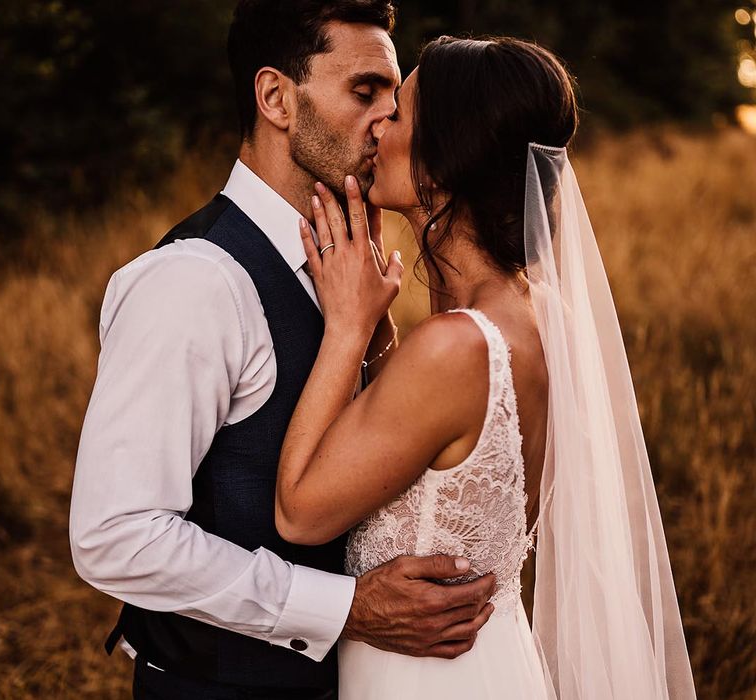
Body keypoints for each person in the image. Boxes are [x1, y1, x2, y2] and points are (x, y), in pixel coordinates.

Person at [69, 5, 496, 699]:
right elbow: (116, 536)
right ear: (275, 98)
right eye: (365, 92)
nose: (389, 119)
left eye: (394, 95)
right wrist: (345, 608)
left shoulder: (350, 263)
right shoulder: (196, 280)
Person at [275, 36, 698, 698]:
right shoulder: (544, 317)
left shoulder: (455, 348)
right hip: (493, 662)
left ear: (443, 161)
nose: (378, 123)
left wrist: (346, 329)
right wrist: (383, 338)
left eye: (400, 113)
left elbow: (300, 513)